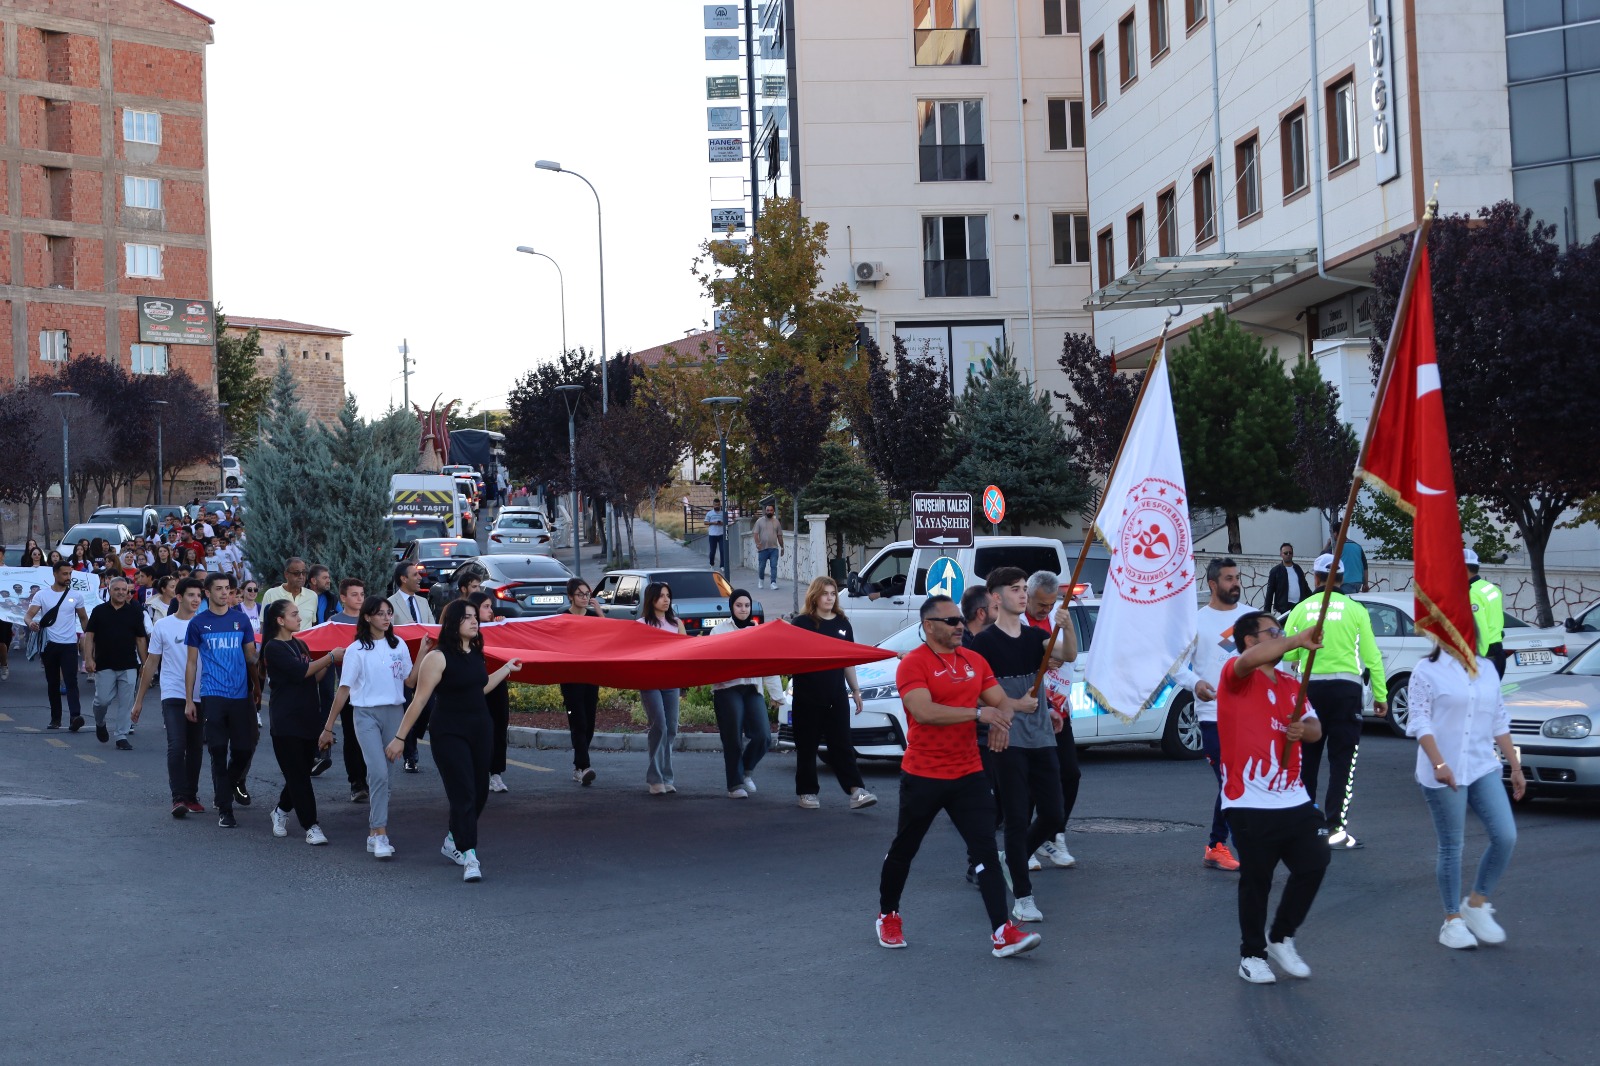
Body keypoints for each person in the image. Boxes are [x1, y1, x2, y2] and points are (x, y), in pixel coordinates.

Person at [876, 595, 1043, 959]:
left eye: (960, 620)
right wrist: (980, 714)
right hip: (924, 774)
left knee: (985, 848)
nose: (959, 626)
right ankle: (888, 915)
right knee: (905, 848)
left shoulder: (973, 660)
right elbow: (924, 711)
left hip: (968, 772)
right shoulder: (913, 665)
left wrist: (1003, 719)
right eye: (950, 621)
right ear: (928, 625)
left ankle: (1002, 932)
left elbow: (1000, 701)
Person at [1217, 611, 1328, 984]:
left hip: (1294, 798)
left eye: (1281, 632)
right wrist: (1297, 639)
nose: (1281, 635)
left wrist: (1304, 729)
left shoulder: (1290, 683)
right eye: (1273, 631)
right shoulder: (1236, 674)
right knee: (1257, 880)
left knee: (1315, 862)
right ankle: (1252, 955)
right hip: (1249, 800)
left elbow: (1315, 729)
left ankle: (1281, 936)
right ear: (1250, 639)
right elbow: (1246, 662)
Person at [386, 600, 521, 883]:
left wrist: (507, 668)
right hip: (449, 732)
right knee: (463, 793)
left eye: (476, 617)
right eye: (468, 617)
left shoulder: (475, 653)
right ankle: (469, 855)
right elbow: (420, 700)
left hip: (480, 729)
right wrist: (400, 738)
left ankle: (453, 839)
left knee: (480, 791)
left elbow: (479, 687)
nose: (475, 621)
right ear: (453, 622)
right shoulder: (437, 657)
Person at [970, 568, 1077, 923]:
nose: (1022, 595)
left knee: (1053, 814)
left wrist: (1068, 622)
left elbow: (1069, 655)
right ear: (997, 598)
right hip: (1007, 738)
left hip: (1042, 736)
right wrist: (1012, 706)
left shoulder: (1033, 638)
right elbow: (980, 693)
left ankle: (1012, 858)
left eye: (1022, 589)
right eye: (1015, 589)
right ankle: (1023, 896)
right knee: (1017, 817)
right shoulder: (984, 643)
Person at [1407, 640, 1523, 949]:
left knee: (1505, 836)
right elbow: (1418, 719)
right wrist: (1439, 763)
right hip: (1443, 769)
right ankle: (1452, 922)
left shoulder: (1486, 669)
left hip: (1482, 765)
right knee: (1452, 845)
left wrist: (1515, 765)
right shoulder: (1426, 670)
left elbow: (1498, 719)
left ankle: (1476, 903)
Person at [1282, 554, 1387, 849]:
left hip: (1309, 691)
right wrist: (1381, 695)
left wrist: (1302, 655)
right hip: (1346, 692)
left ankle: (1304, 827)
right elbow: (1372, 657)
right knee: (1343, 762)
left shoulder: (1301, 609)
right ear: (1341, 579)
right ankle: (1335, 830)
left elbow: (1287, 652)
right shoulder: (1356, 610)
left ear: (1315, 578)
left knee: (1307, 762)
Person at [326, 596, 427, 861]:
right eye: (380, 613)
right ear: (368, 617)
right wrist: (328, 727)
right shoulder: (356, 650)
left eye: (389, 613)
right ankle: (380, 833)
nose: (386, 617)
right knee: (379, 773)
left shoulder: (399, 645)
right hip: (366, 715)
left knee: (386, 777)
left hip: (395, 714)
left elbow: (410, 681)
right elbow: (344, 689)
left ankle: (374, 833)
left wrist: (424, 653)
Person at [1174, 557, 1255, 872]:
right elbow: (1175, 664)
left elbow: (1271, 655)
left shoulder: (1251, 617)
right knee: (1232, 781)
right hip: (1213, 716)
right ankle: (1241, 848)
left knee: (1239, 781)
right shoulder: (1195, 622)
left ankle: (1215, 845)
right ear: (1212, 584)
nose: (1235, 583)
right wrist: (1195, 683)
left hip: (1249, 716)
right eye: (1228, 578)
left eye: (1237, 577)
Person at [789, 577, 877, 811]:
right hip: (807, 696)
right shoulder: (801, 623)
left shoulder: (842, 624)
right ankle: (807, 792)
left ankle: (856, 790)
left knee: (842, 744)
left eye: (833, 593)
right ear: (815, 596)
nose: (830, 597)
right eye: (825, 593)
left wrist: (856, 690)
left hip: (836, 695)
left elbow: (848, 660)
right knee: (807, 746)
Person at [260, 599, 342, 846]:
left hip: (308, 718)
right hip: (286, 722)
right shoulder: (273, 648)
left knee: (301, 772)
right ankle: (311, 825)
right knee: (299, 776)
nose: (299, 618)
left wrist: (326, 659)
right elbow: (299, 672)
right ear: (280, 620)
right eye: (294, 614)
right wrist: (329, 657)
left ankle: (281, 811)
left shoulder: (300, 643)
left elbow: (312, 676)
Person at [185, 572, 259, 829]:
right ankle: (225, 809)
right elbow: (192, 663)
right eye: (218, 589)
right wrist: (189, 700)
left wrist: (259, 683)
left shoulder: (241, 620)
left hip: (240, 694)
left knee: (243, 749)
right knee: (217, 749)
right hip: (212, 693)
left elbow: (251, 657)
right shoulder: (198, 623)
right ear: (208, 592)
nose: (224, 593)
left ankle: (232, 781)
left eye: (227, 588)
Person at [132, 577, 207, 817]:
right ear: (180, 598)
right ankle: (178, 798)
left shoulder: (204, 625)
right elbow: (151, 663)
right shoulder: (163, 626)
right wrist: (139, 700)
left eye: (199, 596)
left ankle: (192, 795)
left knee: (195, 747)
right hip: (173, 693)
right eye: (191, 595)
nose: (196, 600)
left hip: (200, 694)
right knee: (177, 745)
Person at [1022, 570, 1081, 869]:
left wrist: (1066, 629)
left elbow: (1071, 655)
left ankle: (1053, 834)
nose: (1045, 610)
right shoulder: (1017, 622)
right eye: (1040, 604)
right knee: (1032, 780)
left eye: (1050, 604)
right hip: (1030, 710)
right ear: (1027, 595)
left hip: (1059, 708)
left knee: (1070, 774)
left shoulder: (1058, 618)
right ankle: (1027, 841)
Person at [709, 589, 781, 798]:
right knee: (732, 738)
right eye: (739, 605)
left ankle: (745, 770)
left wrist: (776, 695)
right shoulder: (719, 631)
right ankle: (735, 784)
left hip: (752, 688)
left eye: (747, 605)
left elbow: (769, 664)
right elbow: (711, 661)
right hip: (727, 688)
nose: (743, 609)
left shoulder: (759, 631)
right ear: (732, 607)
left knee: (763, 736)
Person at [318, 578, 370, 800]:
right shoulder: (334, 622)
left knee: (372, 738)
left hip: (374, 689)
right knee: (352, 736)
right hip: (348, 689)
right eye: (354, 594)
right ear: (343, 598)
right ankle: (357, 783)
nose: (359, 598)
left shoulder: (371, 620)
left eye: (362, 594)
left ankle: (373, 780)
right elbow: (325, 651)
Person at [83, 575, 148, 750]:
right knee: (102, 701)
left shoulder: (135, 612)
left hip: (128, 664)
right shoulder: (99, 611)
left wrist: (145, 664)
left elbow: (140, 639)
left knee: (126, 702)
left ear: (128, 592)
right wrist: (88, 658)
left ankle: (121, 735)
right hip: (104, 664)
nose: (120, 593)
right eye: (116, 589)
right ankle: (100, 722)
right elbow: (89, 636)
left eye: (123, 590)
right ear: (109, 590)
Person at [25, 561, 90, 731]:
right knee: (53, 682)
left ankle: (75, 716)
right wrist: (31, 623)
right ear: (55, 574)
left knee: (71, 681)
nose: (68, 577)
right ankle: (55, 719)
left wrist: (89, 636)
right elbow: (29, 615)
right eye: (64, 574)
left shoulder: (76, 596)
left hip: (69, 644)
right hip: (50, 645)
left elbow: (83, 618)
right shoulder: (42, 595)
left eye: (70, 574)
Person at [638, 581, 688, 794]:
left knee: (671, 728)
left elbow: (687, 651)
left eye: (668, 595)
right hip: (649, 681)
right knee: (659, 726)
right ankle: (655, 779)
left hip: (672, 681)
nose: (666, 600)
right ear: (651, 600)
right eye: (661, 596)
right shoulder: (641, 623)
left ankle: (667, 777)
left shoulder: (676, 623)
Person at [389, 561, 437, 772]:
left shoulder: (423, 602)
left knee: (428, 706)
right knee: (407, 707)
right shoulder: (390, 604)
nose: (420, 578)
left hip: (426, 663)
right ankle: (410, 755)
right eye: (415, 575)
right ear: (403, 579)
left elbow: (432, 628)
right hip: (403, 665)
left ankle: (414, 738)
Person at [468, 591, 512, 794]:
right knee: (477, 731)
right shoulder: (466, 631)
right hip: (474, 687)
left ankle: (496, 774)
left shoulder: (497, 627)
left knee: (499, 728)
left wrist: (501, 627)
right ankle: (477, 773)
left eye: (490, 606)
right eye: (485, 606)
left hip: (497, 685)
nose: (491, 610)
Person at [560, 577, 601, 786]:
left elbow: (609, 635)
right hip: (570, 677)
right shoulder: (562, 618)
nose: (585, 598)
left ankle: (579, 766)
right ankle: (584, 766)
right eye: (580, 594)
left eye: (587, 594)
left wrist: (599, 611)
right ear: (570, 596)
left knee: (590, 723)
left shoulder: (594, 617)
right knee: (579, 722)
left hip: (591, 675)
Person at [1465, 549, 1507, 678]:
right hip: (1498, 652)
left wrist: (1478, 659)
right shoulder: (1490, 587)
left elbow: (1480, 627)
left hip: (1485, 656)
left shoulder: (1471, 593)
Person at [260, 558, 317, 626]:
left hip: (305, 637)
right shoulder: (271, 594)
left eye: (304, 573)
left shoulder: (312, 596)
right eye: (296, 573)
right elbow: (264, 625)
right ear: (286, 574)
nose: (301, 577)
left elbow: (313, 624)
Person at [1264, 543, 1310, 615]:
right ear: (1281, 554)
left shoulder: (1298, 569)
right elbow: (1270, 593)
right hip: (1285, 608)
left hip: (1299, 606)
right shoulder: (1275, 571)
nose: (1288, 554)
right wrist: (1266, 614)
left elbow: (1305, 587)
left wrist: (1314, 599)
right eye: (1285, 553)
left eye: (1290, 553)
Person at [752, 504, 784, 591]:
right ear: (765, 511)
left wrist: (782, 547)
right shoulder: (759, 521)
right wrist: (758, 544)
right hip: (763, 549)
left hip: (774, 548)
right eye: (768, 510)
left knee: (774, 566)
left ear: (773, 511)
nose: (769, 512)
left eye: (771, 510)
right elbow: (755, 534)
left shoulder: (776, 522)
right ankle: (761, 580)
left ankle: (773, 583)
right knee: (762, 566)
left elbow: (780, 535)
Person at [705, 498, 728, 571]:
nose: (717, 506)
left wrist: (722, 523)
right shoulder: (709, 513)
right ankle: (711, 564)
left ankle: (722, 565)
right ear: (713, 505)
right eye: (715, 505)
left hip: (721, 534)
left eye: (718, 505)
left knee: (722, 550)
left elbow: (727, 523)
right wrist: (713, 523)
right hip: (712, 535)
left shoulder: (722, 513)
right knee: (712, 551)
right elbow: (705, 522)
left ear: (720, 505)